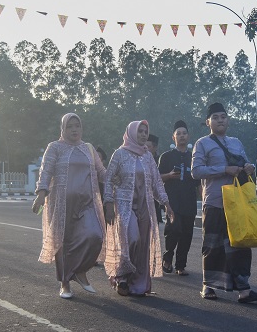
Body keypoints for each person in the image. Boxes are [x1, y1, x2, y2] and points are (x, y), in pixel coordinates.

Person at [191, 102, 257, 303]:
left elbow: (245, 162)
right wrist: (224, 169)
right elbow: (196, 171)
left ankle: (244, 289)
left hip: (238, 203)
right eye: (215, 117)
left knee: (241, 244)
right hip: (215, 202)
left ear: (228, 120)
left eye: (223, 116)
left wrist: (249, 167)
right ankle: (208, 286)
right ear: (208, 122)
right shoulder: (202, 143)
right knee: (213, 245)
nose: (220, 120)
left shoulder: (236, 142)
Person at [33, 113, 107, 299]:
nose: (74, 130)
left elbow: (101, 172)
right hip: (61, 203)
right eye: (70, 126)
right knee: (64, 242)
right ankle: (65, 283)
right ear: (63, 129)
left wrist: (119, 176)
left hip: (87, 203)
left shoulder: (88, 148)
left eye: (77, 126)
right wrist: (41, 195)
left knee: (95, 235)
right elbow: (46, 171)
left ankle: (80, 270)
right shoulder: (55, 147)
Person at [104, 120, 173, 297]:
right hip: (125, 205)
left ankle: (136, 284)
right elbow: (108, 179)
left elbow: (156, 183)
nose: (143, 134)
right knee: (132, 239)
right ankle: (122, 276)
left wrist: (166, 203)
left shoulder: (147, 156)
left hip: (145, 206)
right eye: (140, 131)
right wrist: (109, 203)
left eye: (145, 132)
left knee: (142, 246)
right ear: (131, 133)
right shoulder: (120, 154)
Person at [157, 120, 200, 276]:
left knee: (187, 234)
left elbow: (199, 182)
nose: (182, 136)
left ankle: (181, 266)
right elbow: (157, 178)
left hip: (189, 201)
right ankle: (167, 258)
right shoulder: (166, 157)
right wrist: (169, 175)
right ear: (173, 137)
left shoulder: (194, 157)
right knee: (174, 229)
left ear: (188, 136)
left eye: (184, 133)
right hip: (172, 200)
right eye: (178, 134)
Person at [146, 134, 164, 224]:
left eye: (148, 146)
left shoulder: (160, 160)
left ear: (155, 147)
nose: (145, 148)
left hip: (155, 196)